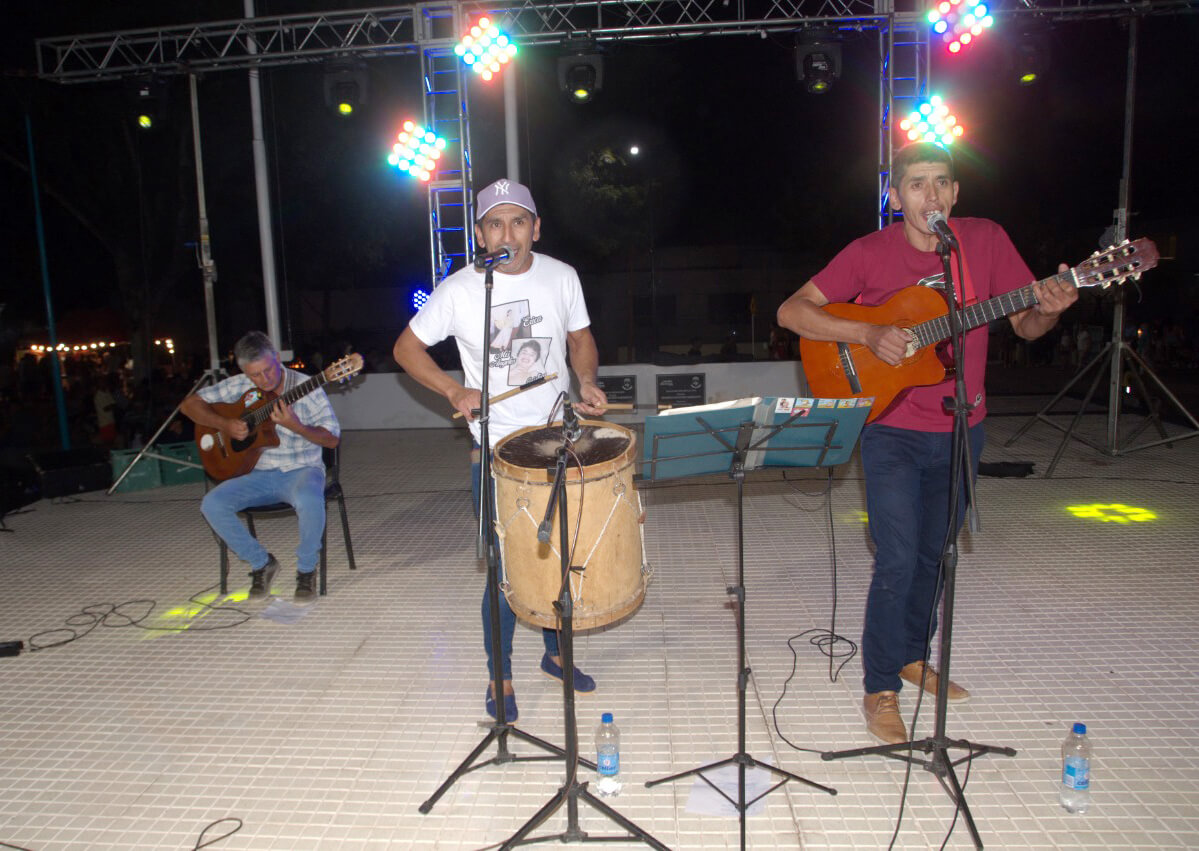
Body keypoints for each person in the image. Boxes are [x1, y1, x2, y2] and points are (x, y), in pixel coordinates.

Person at [776, 142, 1077, 744]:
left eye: (941, 182)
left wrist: (1052, 308)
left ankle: (914, 655)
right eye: (917, 184)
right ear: (896, 196)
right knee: (897, 556)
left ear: (956, 193)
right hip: (890, 427)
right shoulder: (869, 252)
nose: (930, 195)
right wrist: (867, 333)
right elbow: (792, 311)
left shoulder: (985, 241)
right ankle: (880, 685)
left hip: (964, 426)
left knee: (937, 554)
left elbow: (1027, 325)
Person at [393, 178, 608, 721]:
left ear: (536, 228)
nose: (507, 234)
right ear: (480, 234)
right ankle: (501, 675)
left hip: (558, 440)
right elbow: (406, 348)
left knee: (561, 556)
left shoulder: (562, 276)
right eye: (495, 224)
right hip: (498, 451)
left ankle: (556, 654)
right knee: (504, 570)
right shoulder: (461, 289)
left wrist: (586, 380)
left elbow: (580, 338)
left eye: (518, 222)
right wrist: (453, 391)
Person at [181, 331, 340, 602]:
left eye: (268, 370)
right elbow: (189, 405)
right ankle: (261, 563)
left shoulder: (307, 386)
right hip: (256, 472)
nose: (264, 379)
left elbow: (332, 439)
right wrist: (224, 424)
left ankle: (306, 570)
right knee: (212, 504)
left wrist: (297, 426)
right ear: (244, 372)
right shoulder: (240, 385)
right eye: (255, 375)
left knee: (309, 500)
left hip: (302, 469)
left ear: (277, 358)